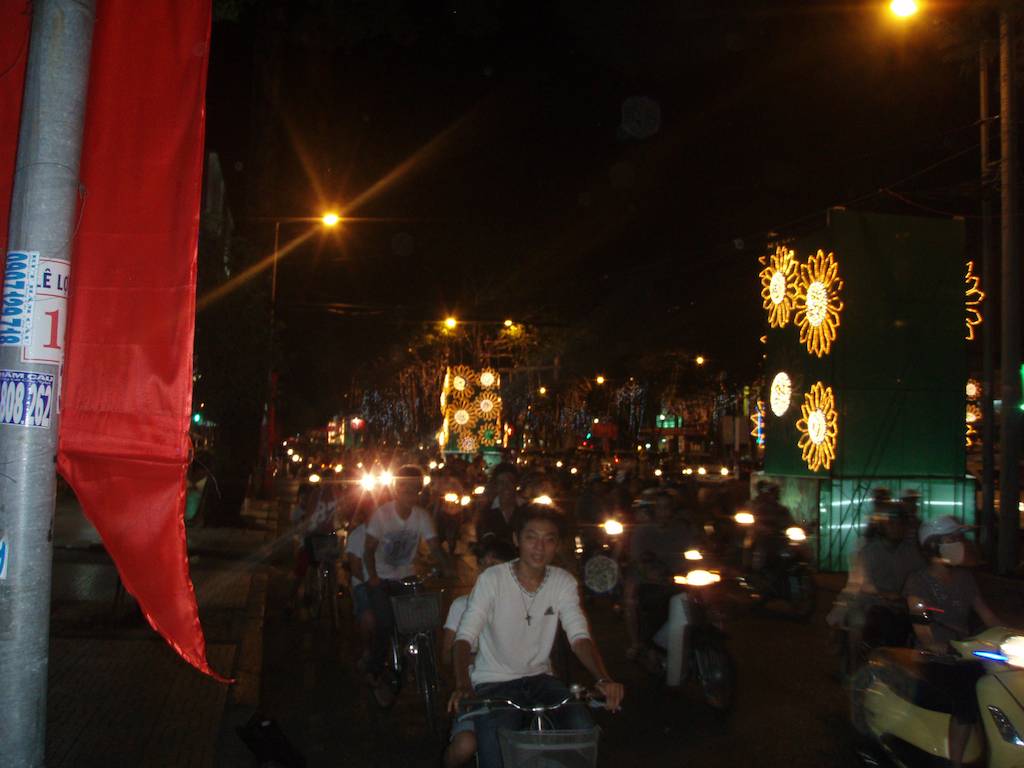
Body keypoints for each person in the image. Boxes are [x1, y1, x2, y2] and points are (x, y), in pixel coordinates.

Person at [448, 506, 624, 768]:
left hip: (540, 679)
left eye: (549, 539)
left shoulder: (562, 582)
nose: (539, 547)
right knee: (495, 750)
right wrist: (463, 684)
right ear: (517, 540)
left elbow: (578, 636)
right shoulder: (492, 579)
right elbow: (464, 637)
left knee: (581, 728)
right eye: (531, 537)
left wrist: (603, 677)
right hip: (493, 683)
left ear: (557, 545)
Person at [903, 515, 1002, 768]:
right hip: (938, 658)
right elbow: (920, 620)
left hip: (968, 653)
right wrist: (931, 642)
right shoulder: (918, 581)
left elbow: (987, 614)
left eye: (959, 537)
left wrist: (1007, 633)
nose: (959, 542)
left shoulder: (965, 578)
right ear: (934, 545)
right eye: (952, 538)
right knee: (968, 692)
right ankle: (955, 763)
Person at [364, 465, 451, 705]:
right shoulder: (382, 514)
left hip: (407, 577)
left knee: (427, 620)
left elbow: (434, 546)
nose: (408, 492)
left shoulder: (422, 516)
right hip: (381, 579)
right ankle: (374, 670)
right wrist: (372, 576)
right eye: (403, 486)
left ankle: (426, 665)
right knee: (384, 624)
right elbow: (368, 549)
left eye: (413, 488)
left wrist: (447, 567)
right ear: (395, 488)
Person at [441, 538, 517, 768]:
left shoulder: (523, 608)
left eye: (495, 565)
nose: (487, 571)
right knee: (465, 745)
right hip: (476, 693)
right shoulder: (462, 605)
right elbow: (446, 655)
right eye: (483, 564)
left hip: (515, 692)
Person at [828, 495, 924, 670]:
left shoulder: (910, 552)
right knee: (857, 621)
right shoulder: (869, 551)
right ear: (882, 526)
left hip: (903, 603)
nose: (897, 528)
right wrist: (884, 594)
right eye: (892, 524)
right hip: (872, 600)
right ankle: (853, 665)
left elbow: (921, 574)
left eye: (900, 524)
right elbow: (863, 582)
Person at [623, 490, 698, 661]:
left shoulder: (681, 530)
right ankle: (641, 644)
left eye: (668, 508)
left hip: (679, 579)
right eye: (661, 508)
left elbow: (695, 551)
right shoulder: (642, 532)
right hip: (650, 581)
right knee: (637, 601)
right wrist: (652, 572)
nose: (665, 512)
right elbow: (639, 560)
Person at [343, 496, 377, 675]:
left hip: (383, 583)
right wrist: (371, 581)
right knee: (369, 617)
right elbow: (356, 568)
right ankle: (367, 650)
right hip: (364, 583)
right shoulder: (358, 535)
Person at [475, 462, 524, 550]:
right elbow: (483, 540)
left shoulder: (525, 509)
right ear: (496, 485)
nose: (506, 486)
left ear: (516, 484)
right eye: (501, 482)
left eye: (510, 481)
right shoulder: (486, 511)